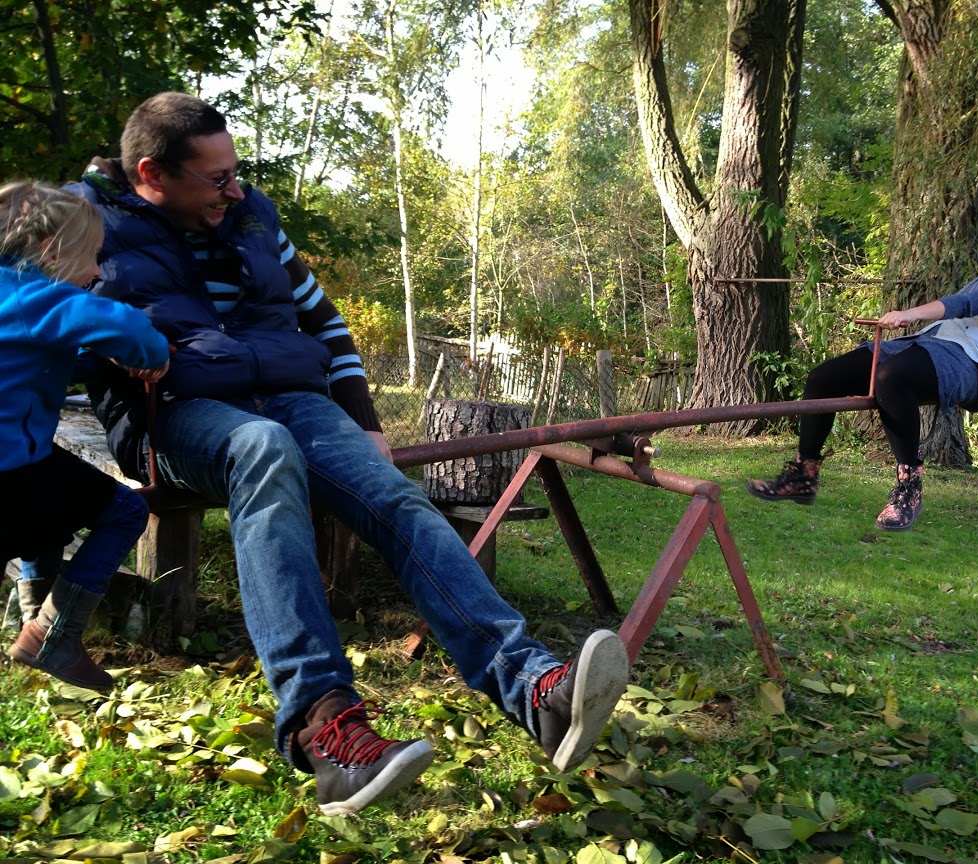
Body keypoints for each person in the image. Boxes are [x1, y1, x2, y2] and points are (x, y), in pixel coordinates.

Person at [68, 91, 629, 817]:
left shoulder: (252, 217)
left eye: (237, 172)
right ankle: (323, 727)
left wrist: (364, 421)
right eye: (216, 178)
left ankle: (534, 690)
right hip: (174, 414)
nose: (234, 190)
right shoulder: (84, 221)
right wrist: (102, 339)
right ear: (152, 173)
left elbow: (323, 319)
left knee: (392, 495)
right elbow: (32, 312)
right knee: (263, 449)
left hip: (290, 398)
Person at [747, 210, 978, 532]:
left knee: (892, 376)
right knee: (823, 379)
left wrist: (909, 314)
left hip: (970, 363)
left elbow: (964, 304)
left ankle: (909, 487)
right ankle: (803, 474)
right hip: (930, 345)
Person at [1, 181, 170, 692]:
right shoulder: (38, 296)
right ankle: (53, 635)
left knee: (52, 503)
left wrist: (93, 362)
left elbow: (33, 359)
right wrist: (152, 355)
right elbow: (130, 329)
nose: (96, 272)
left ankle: (32, 617)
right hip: (10, 469)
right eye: (92, 255)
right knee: (124, 510)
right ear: (52, 250)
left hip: (19, 464)